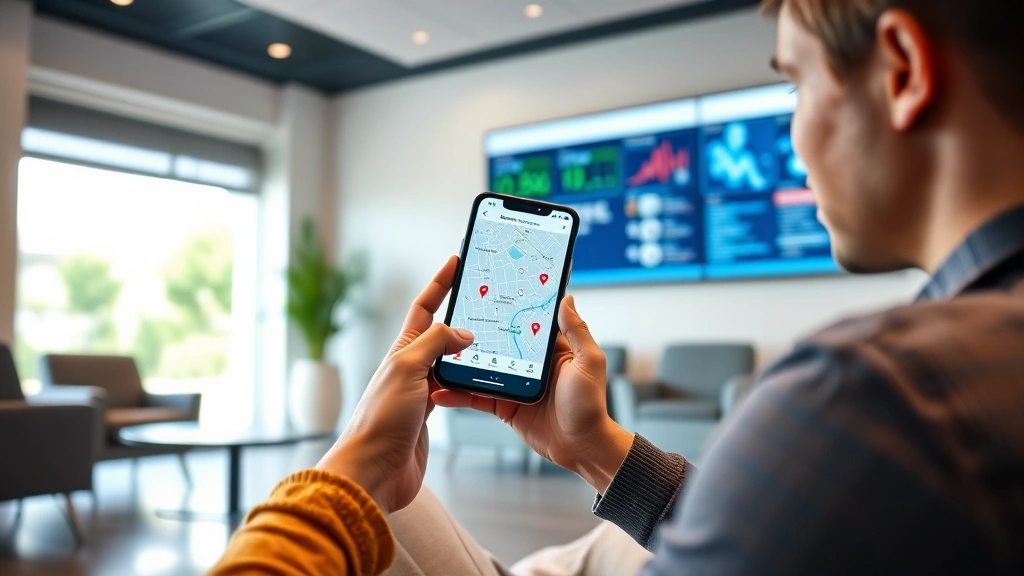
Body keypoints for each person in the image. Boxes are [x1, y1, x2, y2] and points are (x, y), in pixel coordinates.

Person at [210, 0, 1024, 574]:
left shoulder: (877, 392)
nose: (793, 137)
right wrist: (594, 446)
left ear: (902, 68)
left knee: (381, 516)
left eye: (796, 86)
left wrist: (354, 467)